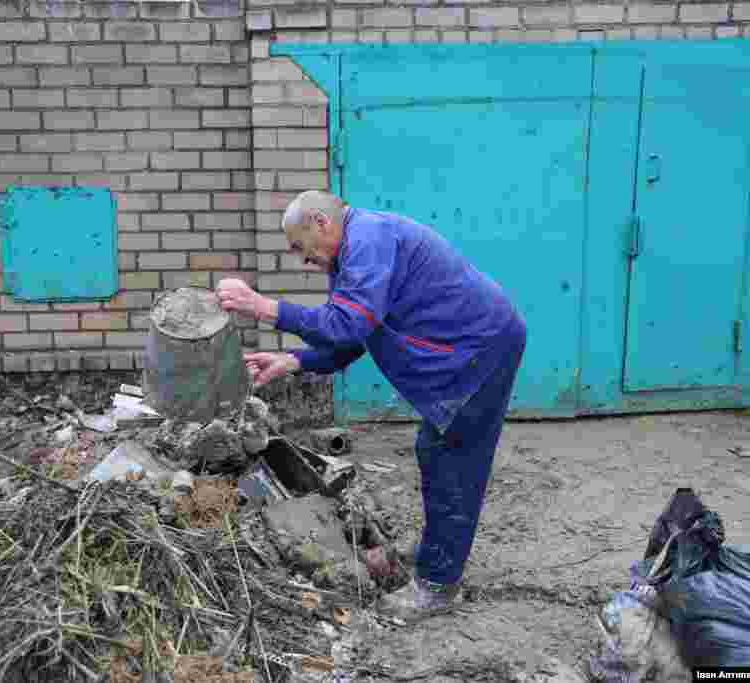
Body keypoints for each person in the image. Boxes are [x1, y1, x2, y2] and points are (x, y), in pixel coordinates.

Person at [215, 190, 527, 623]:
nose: (303, 260)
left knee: (453, 458)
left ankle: (438, 585)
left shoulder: (369, 238)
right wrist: (293, 360)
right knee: (436, 450)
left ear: (321, 222)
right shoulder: (354, 252)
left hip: (479, 349)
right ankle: (440, 553)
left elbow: (349, 324)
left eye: (300, 247)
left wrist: (263, 307)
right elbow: (350, 336)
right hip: (468, 347)